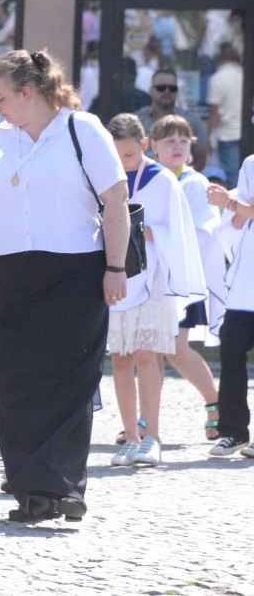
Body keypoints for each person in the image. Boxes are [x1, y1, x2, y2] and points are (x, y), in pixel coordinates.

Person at [0, 49, 129, 522]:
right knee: (16, 385)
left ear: (29, 92)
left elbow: (116, 201)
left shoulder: (84, 129)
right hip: (11, 274)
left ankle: (64, 488)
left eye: (1, 97)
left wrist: (115, 268)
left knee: (69, 383)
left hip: (76, 273)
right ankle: (29, 488)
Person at [105, 113, 206, 467]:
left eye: (130, 155)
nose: (124, 162)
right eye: (117, 155)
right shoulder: (104, 178)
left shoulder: (161, 180)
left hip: (154, 277)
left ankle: (153, 437)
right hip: (119, 276)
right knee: (120, 359)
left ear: (144, 146)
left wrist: (146, 231)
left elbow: (179, 232)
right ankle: (129, 435)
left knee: (148, 355)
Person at [148, 115, 226, 441]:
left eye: (183, 140)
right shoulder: (148, 180)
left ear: (192, 145)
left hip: (179, 279)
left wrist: (156, 235)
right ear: (152, 146)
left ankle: (215, 404)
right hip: (150, 280)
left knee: (176, 349)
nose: (177, 146)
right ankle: (143, 421)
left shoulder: (195, 183)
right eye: (169, 140)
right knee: (147, 351)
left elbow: (205, 232)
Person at [206, 155, 254, 458]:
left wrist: (231, 204)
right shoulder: (250, 163)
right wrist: (235, 208)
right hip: (246, 282)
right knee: (231, 346)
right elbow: (237, 223)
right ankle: (234, 431)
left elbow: (241, 209)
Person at [134, 69, 208, 171]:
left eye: (172, 88)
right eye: (161, 88)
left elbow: (200, 160)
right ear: (151, 91)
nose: (167, 91)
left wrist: (182, 179)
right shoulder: (137, 120)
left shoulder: (192, 121)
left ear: (177, 91)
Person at [206, 43, 243, 188]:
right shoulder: (244, 74)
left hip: (227, 134)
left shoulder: (217, 79)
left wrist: (209, 136)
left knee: (233, 175)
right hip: (246, 132)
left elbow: (214, 113)